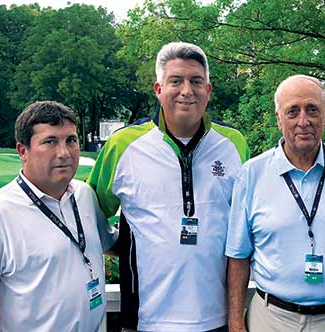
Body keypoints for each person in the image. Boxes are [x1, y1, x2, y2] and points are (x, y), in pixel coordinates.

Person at [88, 42, 249, 331]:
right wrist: (116, 244)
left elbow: (246, 222)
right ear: (158, 89)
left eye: (196, 81)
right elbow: (91, 210)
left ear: (208, 91)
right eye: (176, 81)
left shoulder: (234, 144)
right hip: (145, 319)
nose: (187, 90)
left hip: (218, 317)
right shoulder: (123, 144)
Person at [226, 75, 325, 332]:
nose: (303, 121)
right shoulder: (252, 174)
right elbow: (238, 257)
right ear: (278, 118)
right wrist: (235, 322)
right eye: (292, 111)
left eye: (312, 109)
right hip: (272, 320)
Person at [0, 101, 118, 332]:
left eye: (71, 140)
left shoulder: (84, 196)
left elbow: (110, 244)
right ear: (23, 151)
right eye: (50, 142)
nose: (64, 153)